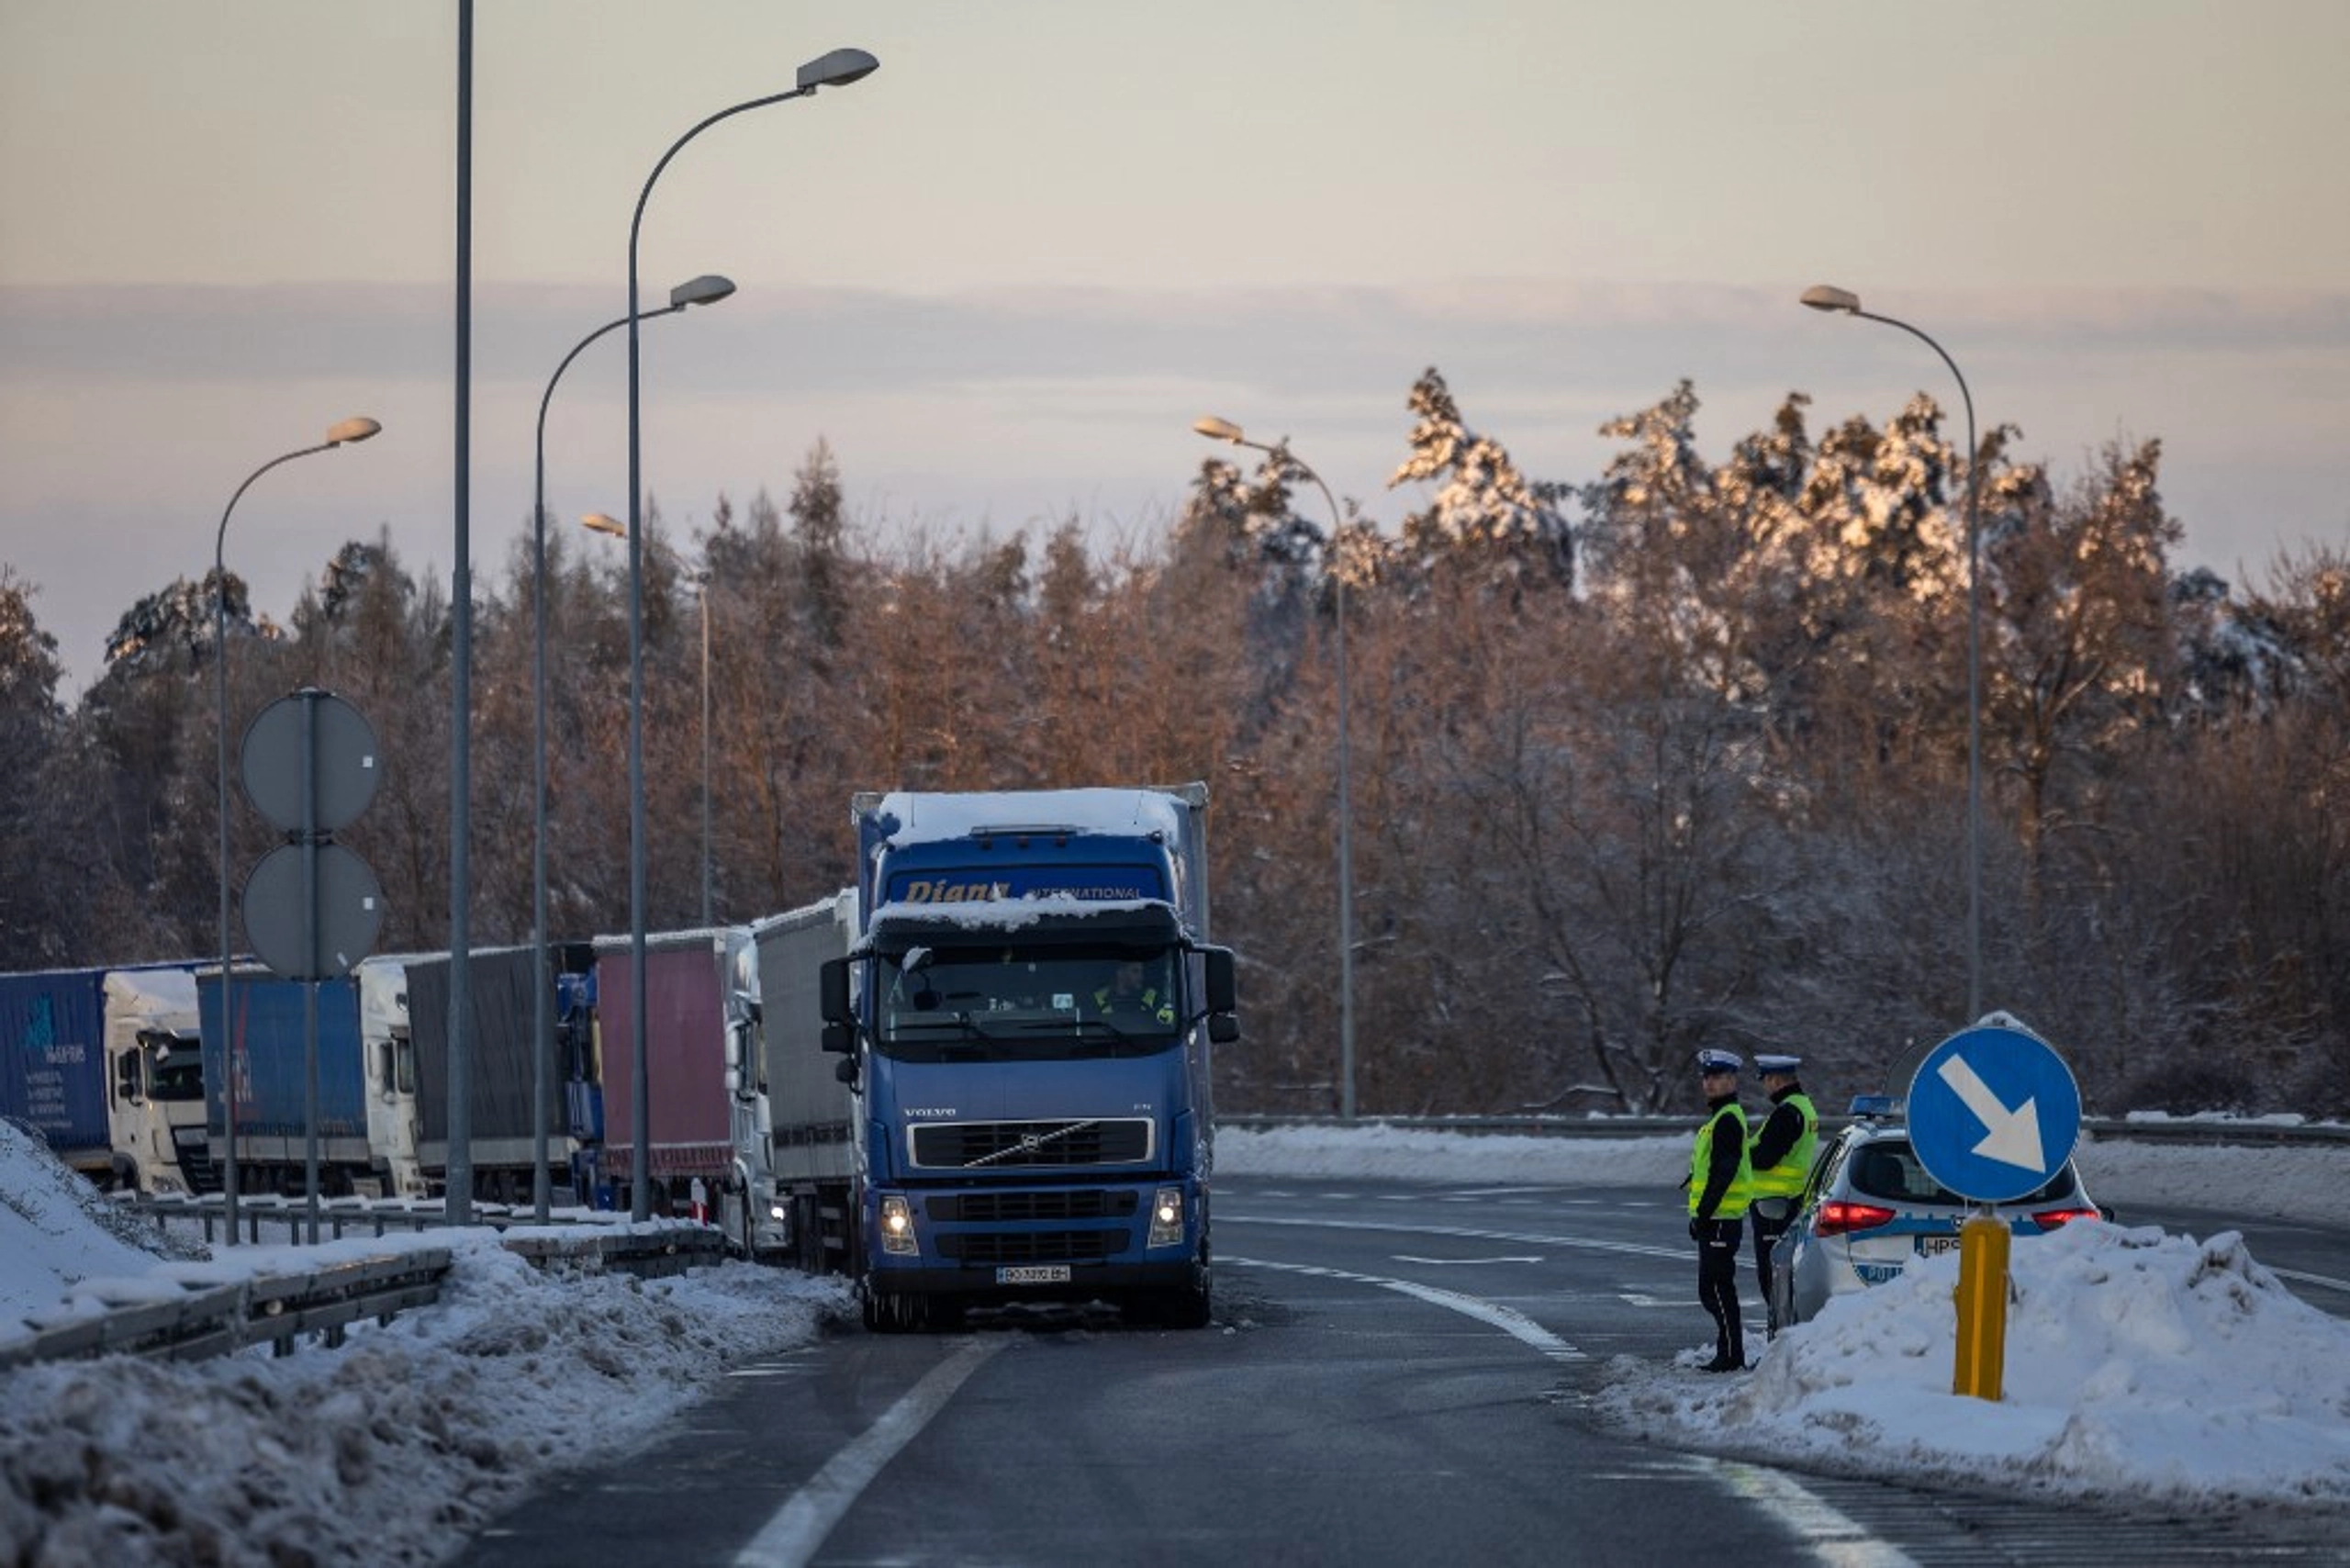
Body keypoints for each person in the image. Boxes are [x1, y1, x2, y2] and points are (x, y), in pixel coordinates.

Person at [1687, 1047, 1754, 1372]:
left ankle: (1731, 1353)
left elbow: (1723, 1172)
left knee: (1717, 1288)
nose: (1710, 1084)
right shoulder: (1720, 1118)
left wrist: (1703, 1213)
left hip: (1721, 1219)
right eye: (1707, 1078)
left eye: (1717, 1078)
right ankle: (1729, 1349)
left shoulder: (1727, 1119)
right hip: (1717, 1218)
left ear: (1731, 1080)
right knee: (1713, 1288)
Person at [1745, 1052, 1818, 1334]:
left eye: (1765, 1080)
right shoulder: (1804, 1107)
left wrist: (1740, 1154)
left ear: (1775, 1080)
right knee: (1782, 1277)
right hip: (1788, 1200)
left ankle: (1780, 1340)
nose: (1764, 1086)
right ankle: (1781, 1337)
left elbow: (1765, 1158)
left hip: (1773, 1205)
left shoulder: (1787, 1113)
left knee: (1773, 1278)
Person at [1092, 959, 1175, 1025]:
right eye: (1135, 971)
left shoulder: (1151, 997)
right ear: (1120, 973)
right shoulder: (1099, 998)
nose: (1141, 977)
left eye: (1141, 972)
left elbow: (1169, 1018)